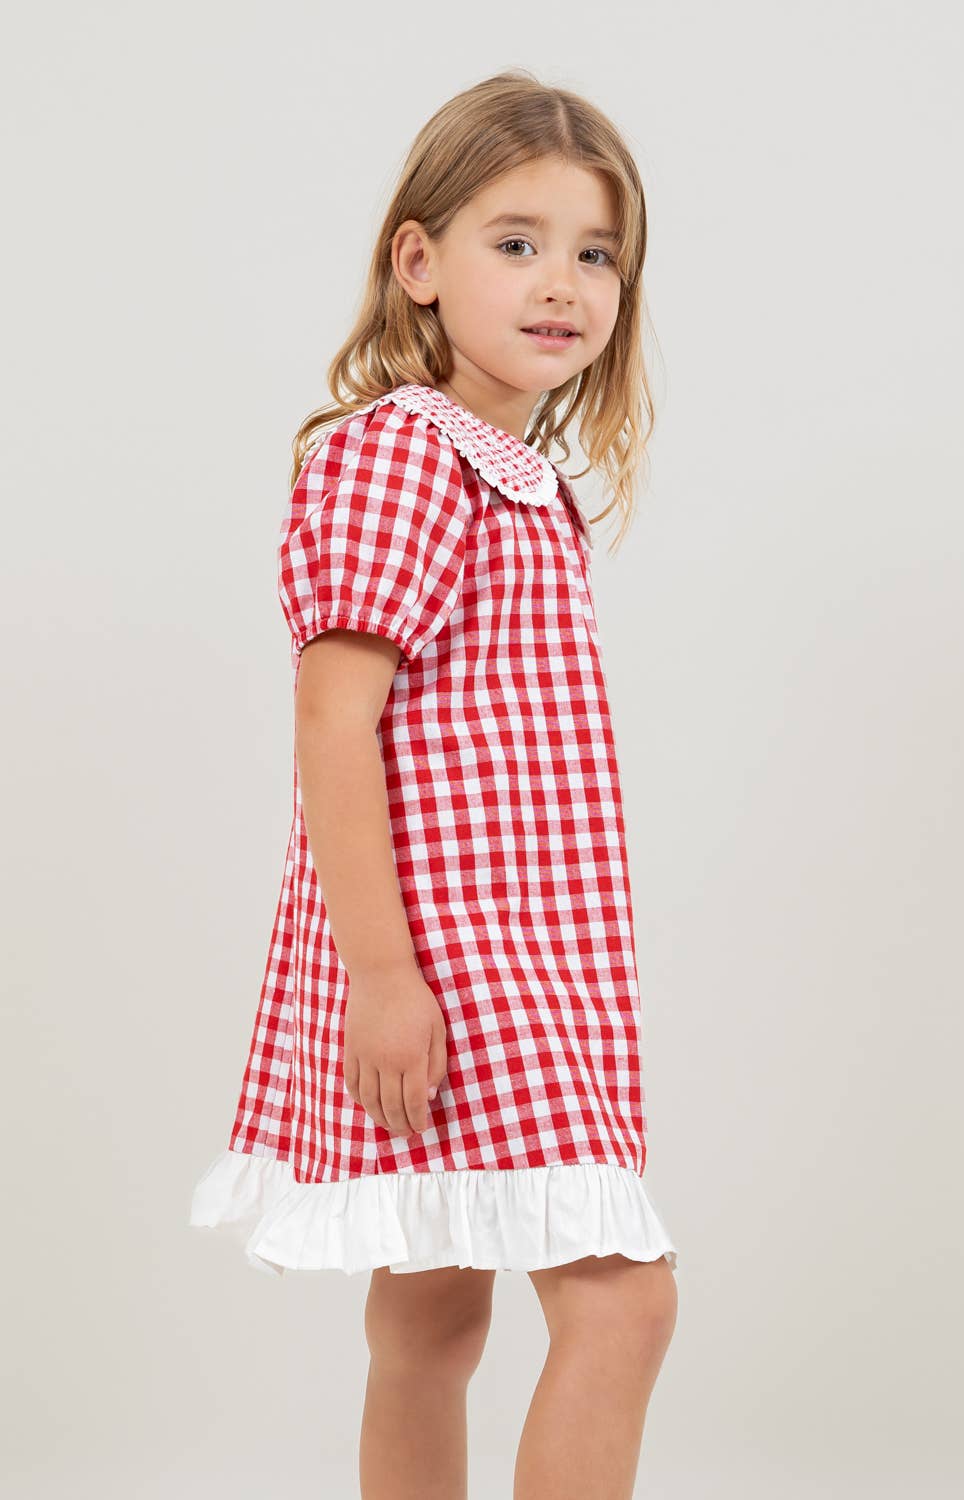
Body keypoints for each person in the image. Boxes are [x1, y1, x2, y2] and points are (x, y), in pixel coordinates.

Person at [190, 68, 679, 1500]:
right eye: (516, 243)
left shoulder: (521, 481)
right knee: (622, 1300)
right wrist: (385, 976)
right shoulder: (406, 455)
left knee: (431, 1308)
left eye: (596, 254)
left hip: (529, 951)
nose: (562, 284)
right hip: (450, 958)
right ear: (419, 262)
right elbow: (332, 721)